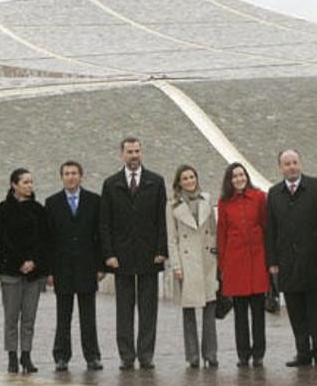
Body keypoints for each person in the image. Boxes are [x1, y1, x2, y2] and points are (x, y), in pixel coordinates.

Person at [100, 137, 168, 371]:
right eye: (129, 151)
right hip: (122, 256)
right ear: (122, 154)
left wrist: (161, 250)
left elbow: (162, 219)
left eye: (137, 151)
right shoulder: (111, 184)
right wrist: (108, 254)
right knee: (124, 309)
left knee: (149, 308)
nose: (134, 155)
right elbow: (105, 223)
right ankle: (126, 356)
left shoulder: (156, 182)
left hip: (150, 255)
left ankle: (146, 354)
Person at [266, 149, 317, 367]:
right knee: (295, 311)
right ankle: (303, 352)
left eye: (295, 162)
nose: (292, 167)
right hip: (287, 263)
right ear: (280, 168)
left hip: (313, 261)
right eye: (287, 164)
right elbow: (271, 230)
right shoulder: (274, 194)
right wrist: (272, 261)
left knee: (315, 310)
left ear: (300, 164)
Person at [45, 161, 104, 372]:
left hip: (87, 266)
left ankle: (92, 356)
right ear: (61, 177)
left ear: (81, 176)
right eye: (67, 174)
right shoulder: (51, 202)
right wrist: (49, 271)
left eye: (74, 173)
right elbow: (48, 240)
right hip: (62, 268)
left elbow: (100, 236)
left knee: (88, 316)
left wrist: (101, 266)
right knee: (63, 316)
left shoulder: (94, 201)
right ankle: (61, 356)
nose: (71, 177)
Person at [0, 168, 51, 374]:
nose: (29, 186)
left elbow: (44, 239)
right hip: (11, 271)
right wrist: (19, 261)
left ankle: (26, 355)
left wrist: (34, 261)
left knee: (29, 317)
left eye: (31, 182)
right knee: (11, 317)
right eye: (25, 182)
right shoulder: (2, 209)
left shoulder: (39, 209)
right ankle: (11, 356)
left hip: (33, 273)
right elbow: (1, 239)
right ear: (14, 185)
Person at [166, 165, 218, 369]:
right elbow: (172, 239)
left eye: (192, 177)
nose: (189, 181)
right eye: (185, 178)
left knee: (209, 310)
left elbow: (213, 230)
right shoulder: (172, 205)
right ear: (179, 182)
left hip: (207, 260)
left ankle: (211, 353)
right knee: (188, 312)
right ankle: (192, 356)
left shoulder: (206, 199)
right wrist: (176, 265)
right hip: (187, 263)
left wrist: (216, 254)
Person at [217, 162, 269, 367]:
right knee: (240, 314)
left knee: (258, 312)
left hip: (257, 261)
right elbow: (222, 234)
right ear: (230, 180)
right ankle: (242, 354)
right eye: (235, 176)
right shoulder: (224, 203)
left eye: (242, 175)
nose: (239, 179)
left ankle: (258, 353)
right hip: (235, 262)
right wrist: (222, 266)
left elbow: (265, 227)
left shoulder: (259, 198)